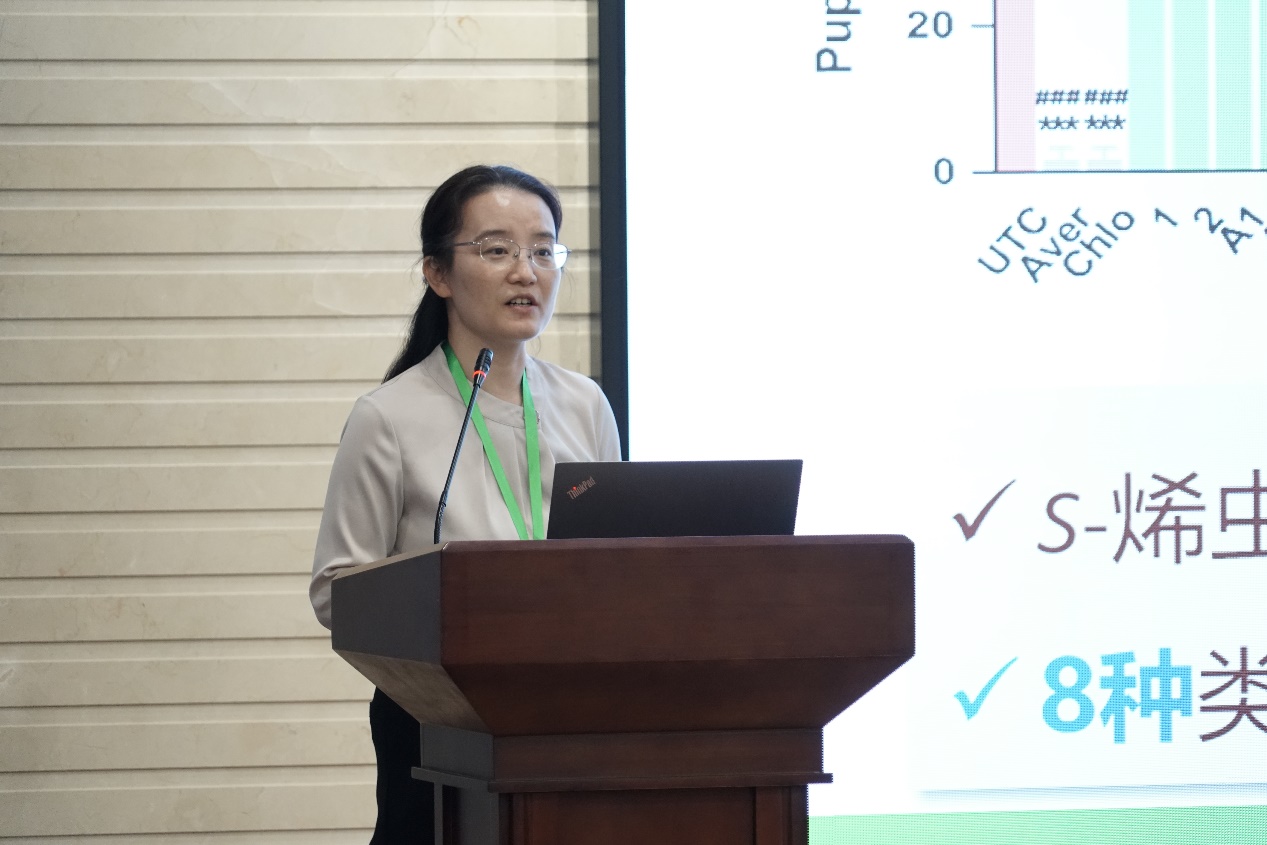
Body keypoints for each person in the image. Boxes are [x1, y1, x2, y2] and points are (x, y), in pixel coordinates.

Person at [309, 165, 622, 843]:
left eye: (543, 250)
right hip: (435, 721)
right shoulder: (389, 416)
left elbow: (614, 563)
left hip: (568, 711)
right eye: (496, 249)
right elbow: (337, 589)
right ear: (438, 274)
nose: (525, 271)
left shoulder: (585, 404)